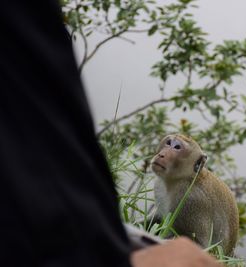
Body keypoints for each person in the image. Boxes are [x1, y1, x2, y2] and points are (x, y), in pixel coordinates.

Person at [0, 1, 219, 266]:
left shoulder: (194, 197)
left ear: (197, 165)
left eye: (177, 148)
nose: (164, 153)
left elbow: (201, 247)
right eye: (167, 143)